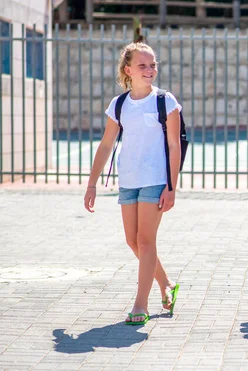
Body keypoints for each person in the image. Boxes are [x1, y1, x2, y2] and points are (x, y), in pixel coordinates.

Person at [83, 42, 182, 325]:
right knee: (132, 240)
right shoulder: (119, 104)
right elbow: (105, 145)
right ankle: (166, 284)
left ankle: (141, 304)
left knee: (145, 240)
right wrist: (92, 184)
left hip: (155, 180)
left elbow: (174, 146)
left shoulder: (165, 101)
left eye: (153, 65)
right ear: (128, 70)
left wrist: (171, 186)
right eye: (143, 65)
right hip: (128, 180)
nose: (149, 70)